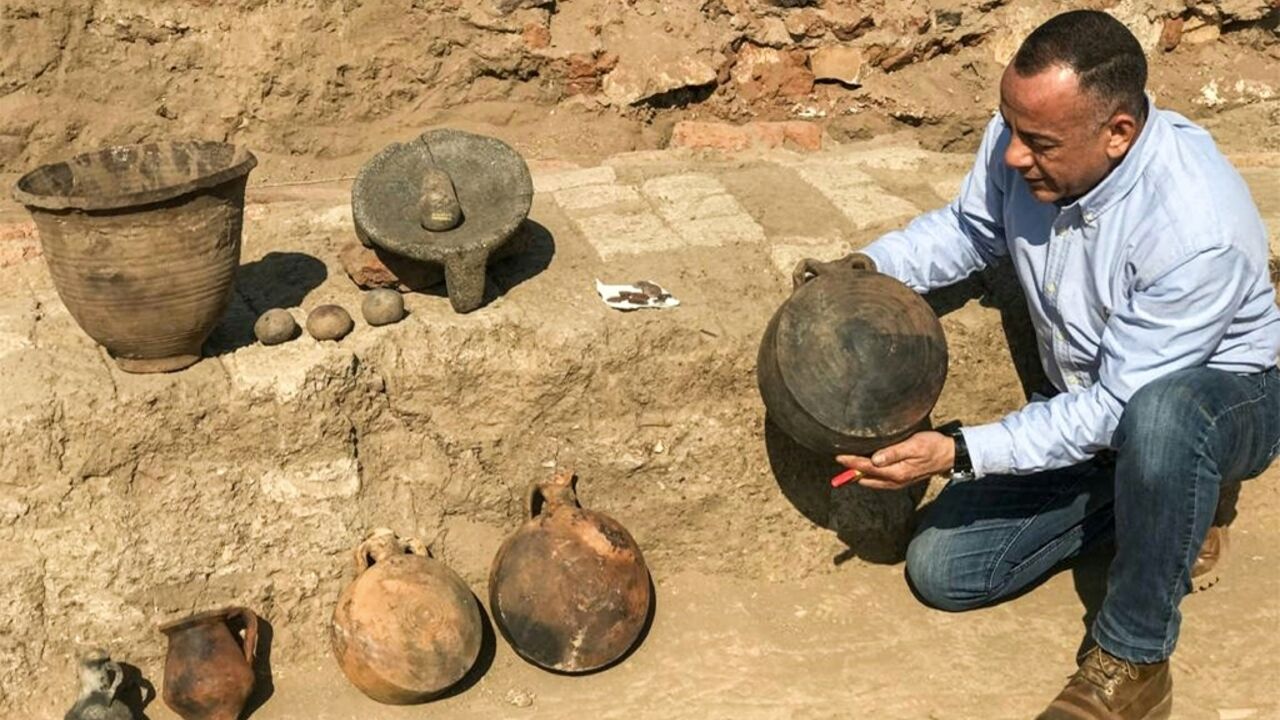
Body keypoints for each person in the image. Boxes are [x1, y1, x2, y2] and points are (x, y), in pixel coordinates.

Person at [792, 10, 1280, 720]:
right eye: (1010, 128)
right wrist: (867, 271)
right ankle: (1173, 502)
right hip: (1089, 400)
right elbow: (969, 230)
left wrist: (959, 452)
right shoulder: (1026, 138)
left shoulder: (1195, 230)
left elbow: (1121, 405)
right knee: (943, 570)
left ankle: (1134, 660)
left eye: (1038, 142)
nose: (1014, 156)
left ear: (1119, 133)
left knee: (1165, 418)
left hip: (1219, 404)